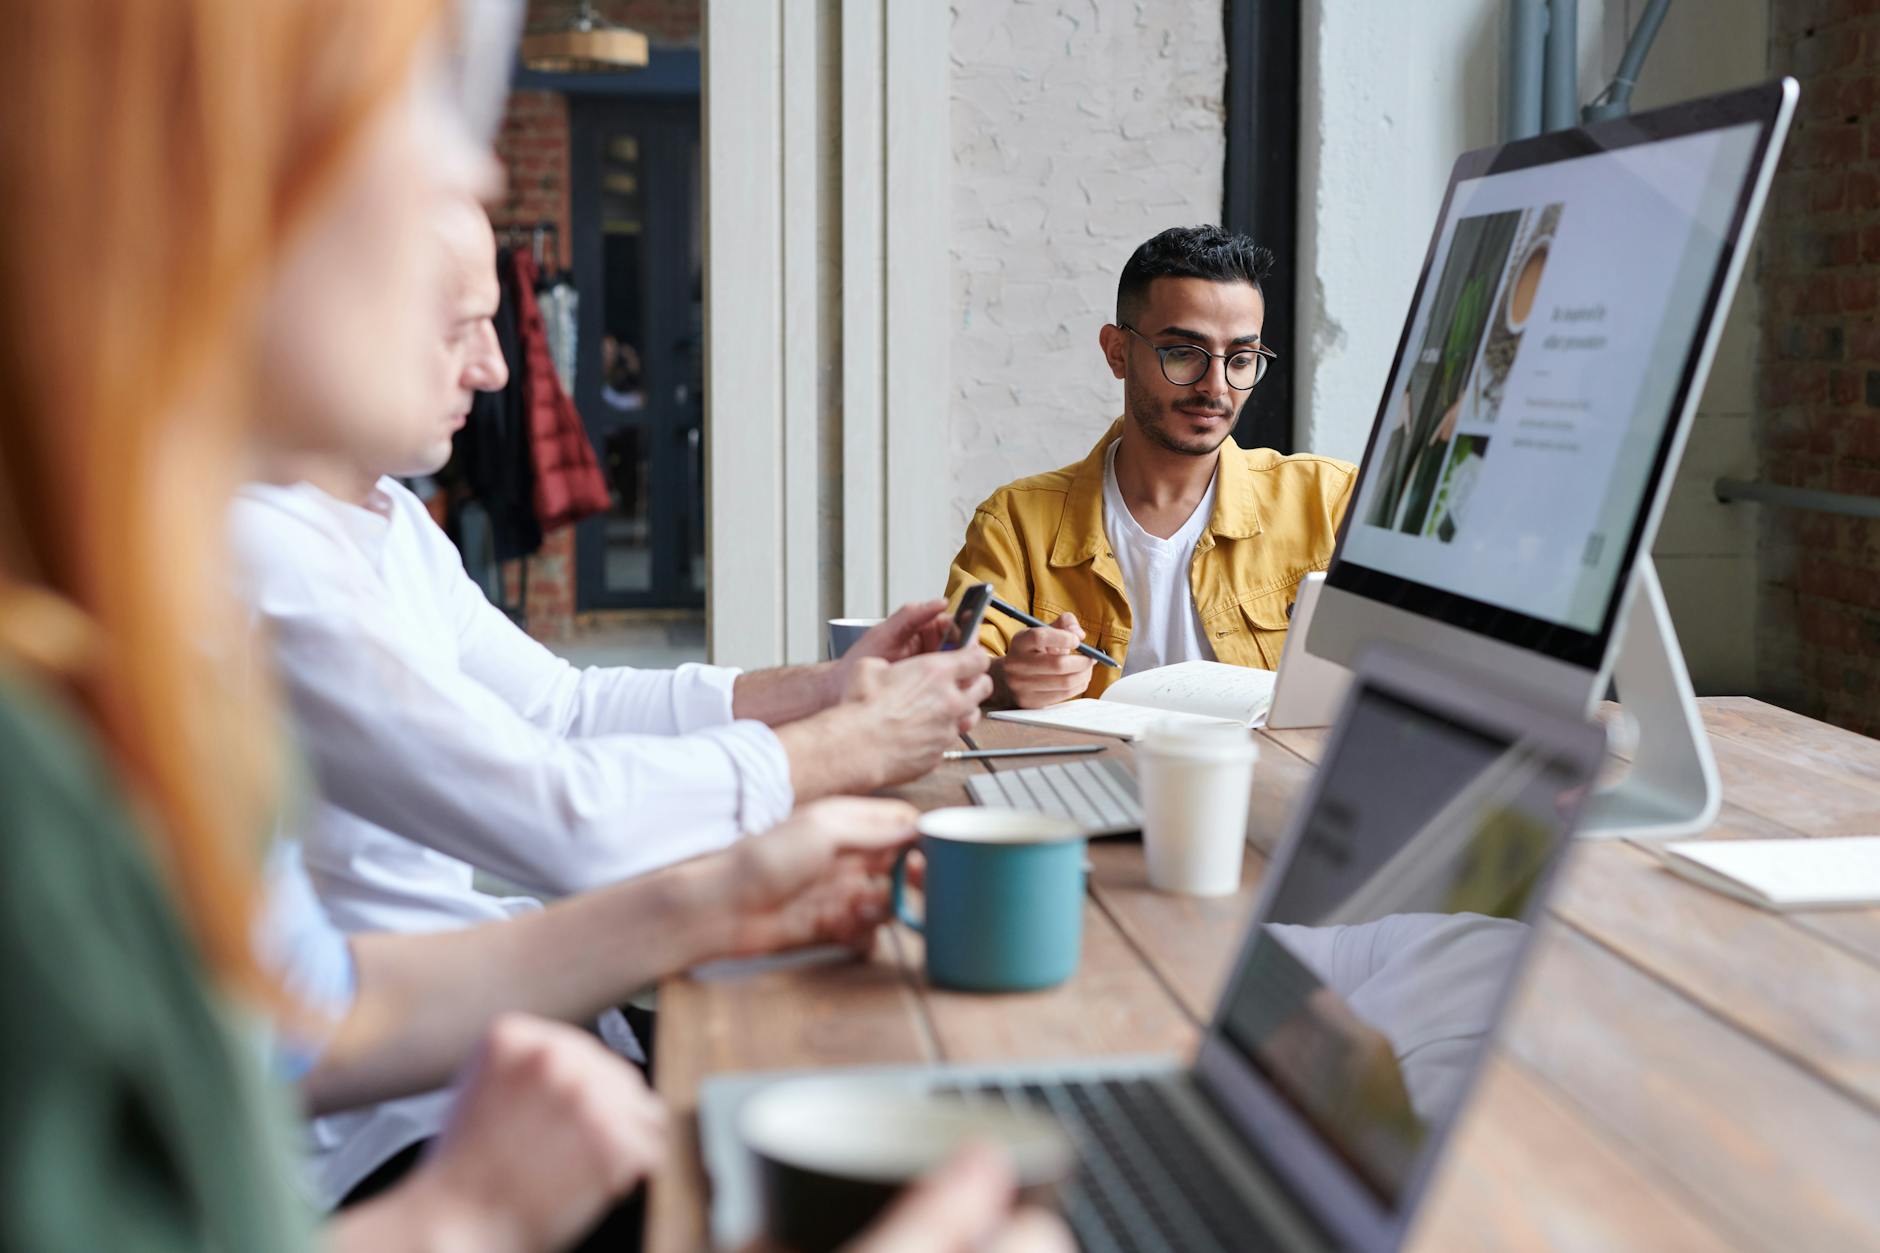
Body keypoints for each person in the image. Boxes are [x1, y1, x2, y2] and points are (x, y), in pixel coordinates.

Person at [0, 1, 1057, 1249]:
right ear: (209, 186)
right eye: (420, 111)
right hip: (402, 1135)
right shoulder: (111, 699)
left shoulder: (345, 533)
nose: (478, 169)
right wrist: (465, 1213)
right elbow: (550, 815)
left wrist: (773, 786)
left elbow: (312, 998)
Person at [234, 196, 991, 1205]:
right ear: (330, 320)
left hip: (498, 1046)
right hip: (392, 1132)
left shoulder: (389, 523)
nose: (496, 368)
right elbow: (557, 818)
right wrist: (844, 747)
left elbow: (563, 707)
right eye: (460, 328)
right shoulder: (256, 551)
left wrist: (823, 689)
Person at [945, 225, 1357, 708]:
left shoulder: (1329, 501)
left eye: (1241, 358)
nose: (1216, 388)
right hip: (1087, 779)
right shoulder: (1015, 523)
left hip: (1265, 781)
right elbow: (949, 674)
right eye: (1184, 354)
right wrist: (1004, 678)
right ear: (1117, 352)